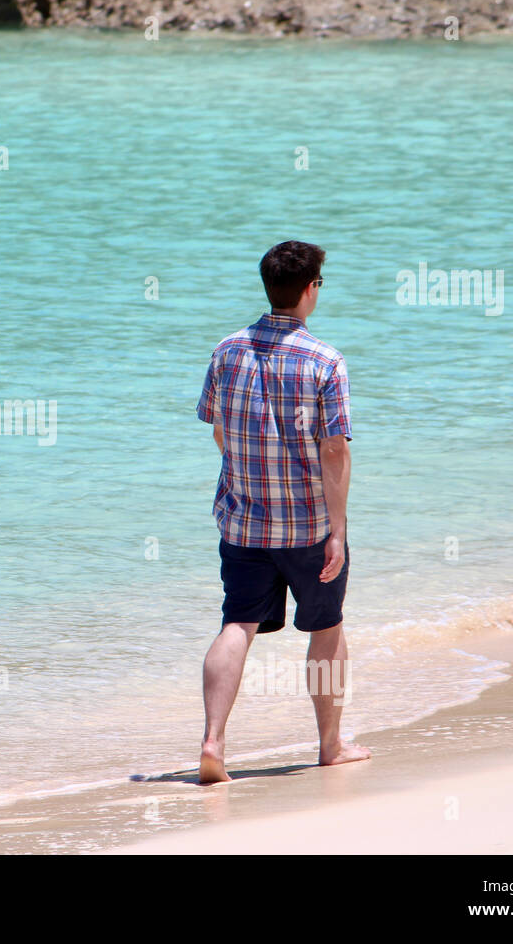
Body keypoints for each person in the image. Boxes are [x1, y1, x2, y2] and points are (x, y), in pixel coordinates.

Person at [194, 240, 371, 784]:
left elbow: (221, 430)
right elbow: (335, 448)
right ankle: (331, 745)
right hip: (307, 527)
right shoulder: (325, 360)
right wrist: (336, 531)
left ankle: (213, 743)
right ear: (311, 288)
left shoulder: (227, 350)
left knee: (237, 624)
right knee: (327, 627)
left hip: (243, 522)